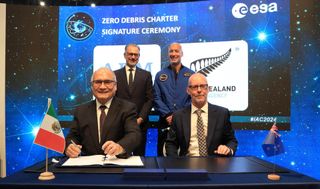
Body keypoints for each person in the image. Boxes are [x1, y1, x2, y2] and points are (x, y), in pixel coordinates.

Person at [65, 67, 141, 158]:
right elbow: (72, 137)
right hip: (87, 166)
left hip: (116, 165)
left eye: (107, 82)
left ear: (115, 86)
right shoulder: (81, 110)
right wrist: (69, 147)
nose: (102, 87)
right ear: (91, 86)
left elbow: (134, 135)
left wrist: (120, 147)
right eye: (98, 82)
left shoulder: (128, 108)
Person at [165, 73, 238, 157]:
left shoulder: (222, 113)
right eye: (195, 87)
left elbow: (231, 140)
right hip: (186, 165)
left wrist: (228, 148)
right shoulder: (178, 116)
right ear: (188, 90)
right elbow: (171, 144)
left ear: (208, 89)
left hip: (215, 165)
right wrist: (176, 165)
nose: (199, 90)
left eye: (203, 86)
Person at [153, 42, 195, 155]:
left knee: (185, 155)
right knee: (162, 156)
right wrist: (167, 115)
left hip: (184, 121)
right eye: (171, 51)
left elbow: (193, 98)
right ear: (168, 54)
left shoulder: (191, 75)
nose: (173, 54)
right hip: (164, 122)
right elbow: (156, 98)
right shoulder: (160, 75)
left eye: (176, 51)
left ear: (182, 53)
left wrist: (179, 116)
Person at [114, 44, 153, 156]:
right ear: (125, 55)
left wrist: (140, 118)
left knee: (139, 158)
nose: (133, 57)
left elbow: (149, 99)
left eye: (136, 55)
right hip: (119, 124)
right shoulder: (115, 75)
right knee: (119, 157)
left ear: (139, 56)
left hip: (140, 124)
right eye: (130, 54)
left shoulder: (146, 75)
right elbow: (113, 99)